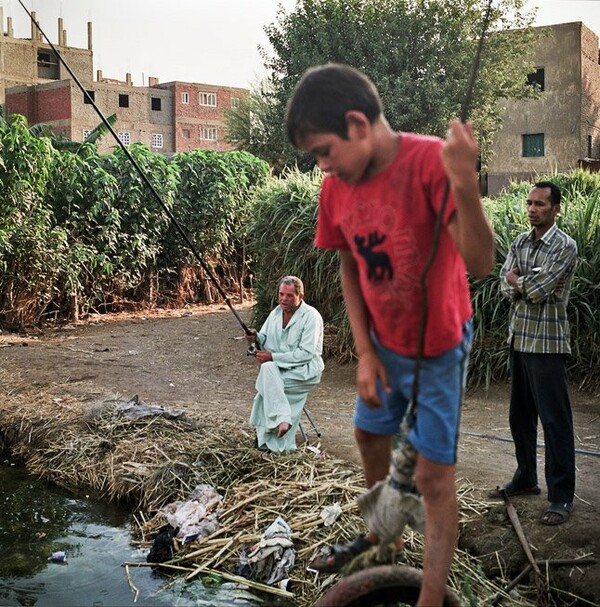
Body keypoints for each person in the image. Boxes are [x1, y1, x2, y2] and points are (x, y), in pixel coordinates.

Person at [285, 64, 495, 606]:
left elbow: (481, 262)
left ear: (358, 124)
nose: (323, 166)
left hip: (439, 349)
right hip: (382, 346)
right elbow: (349, 266)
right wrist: (364, 352)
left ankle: (429, 596)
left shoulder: (430, 162)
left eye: (324, 152)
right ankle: (385, 533)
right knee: (368, 436)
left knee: (432, 478)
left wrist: (465, 184)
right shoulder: (337, 187)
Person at [491, 181, 577, 526]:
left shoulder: (564, 246)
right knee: (519, 418)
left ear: (555, 208)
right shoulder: (520, 241)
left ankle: (561, 498)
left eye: (540, 204)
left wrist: (519, 281)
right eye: (529, 203)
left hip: (548, 343)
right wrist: (520, 282)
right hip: (520, 339)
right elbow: (502, 283)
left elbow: (541, 291)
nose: (532, 209)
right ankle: (526, 477)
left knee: (555, 422)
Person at [246, 275, 324, 454]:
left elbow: (305, 354)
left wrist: (273, 357)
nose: (283, 299)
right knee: (267, 372)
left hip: (304, 372)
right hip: (278, 369)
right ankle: (280, 424)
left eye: (289, 296)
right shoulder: (276, 313)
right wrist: (255, 337)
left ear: (300, 296)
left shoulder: (311, 317)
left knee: (267, 385)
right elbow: (264, 338)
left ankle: (269, 439)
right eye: (281, 294)